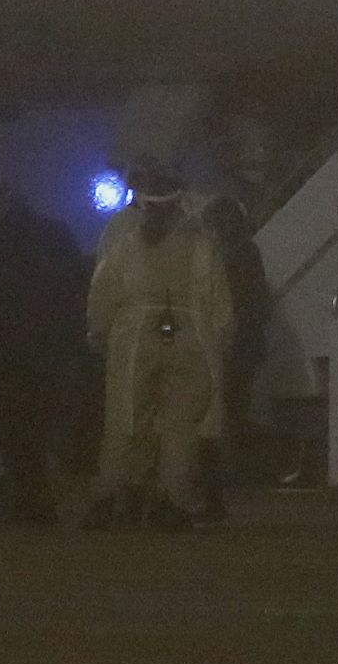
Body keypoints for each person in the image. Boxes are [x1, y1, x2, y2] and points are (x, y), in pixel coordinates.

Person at [81, 160, 234, 531]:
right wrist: (221, 342)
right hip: (191, 333)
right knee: (182, 426)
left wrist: (98, 334)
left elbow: (103, 293)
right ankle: (173, 501)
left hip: (134, 333)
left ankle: (112, 496)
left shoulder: (125, 242)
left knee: (126, 420)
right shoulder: (201, 244)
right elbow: (221, 307)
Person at [0, 181, 92, 523]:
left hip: (13, 353)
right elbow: (75, 289)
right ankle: (40, 499)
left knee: (16, 433)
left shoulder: (0, 245)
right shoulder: (55, 236)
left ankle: (29, 500)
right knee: (44, 431)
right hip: (52, 351)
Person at [192, 192, 274, 524]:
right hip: (241, 345)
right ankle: (234, 474)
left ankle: (230, 479)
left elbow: (241, 303)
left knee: (225, 413)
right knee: (232, 411)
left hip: (233, 346)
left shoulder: (235, 256)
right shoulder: (245, 253)